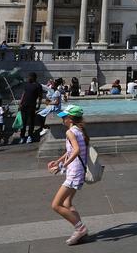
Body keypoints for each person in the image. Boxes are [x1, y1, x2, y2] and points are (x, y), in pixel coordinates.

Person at [47, 105, 90, 245]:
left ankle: (80, 228)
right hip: (78, 171)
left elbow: (76, 150)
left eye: (64, 117)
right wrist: (58, 161)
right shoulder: (79, 130)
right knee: (67, 203)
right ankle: (81, 229)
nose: (63, 119)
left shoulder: (70, 132)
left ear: (70, 119)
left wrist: (61, 166)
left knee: (56, 205)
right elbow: (71, 150)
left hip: (74, 172)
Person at [18, 72, 43, 144]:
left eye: (29, 77)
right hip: (24, 106)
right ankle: (22, 136)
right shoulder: (26, 84)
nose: (28, 78)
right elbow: (23, 94)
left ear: (33, 77)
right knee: (23, 122)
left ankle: (29, 136)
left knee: (31, 122)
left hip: (32, 106)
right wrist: (20, 103)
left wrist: (39, 105)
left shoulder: (38, 86)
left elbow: (40, 97)